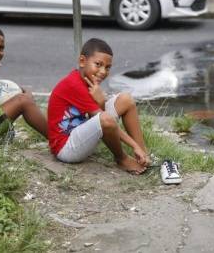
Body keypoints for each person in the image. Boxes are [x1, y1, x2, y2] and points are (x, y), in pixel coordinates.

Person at [47, 38, 150, 174]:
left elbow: (96, 115)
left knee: (126, 99)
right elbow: (104, 119)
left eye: (107, 67)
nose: (103, 71)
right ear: (82, 61)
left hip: (82, 135)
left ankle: (143, 155)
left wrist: (100, 102)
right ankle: (122, 159)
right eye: (98, 64)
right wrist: (133, 145)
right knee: (105, 119)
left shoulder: (88, 81)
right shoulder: (74, 84)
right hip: (66, 149)